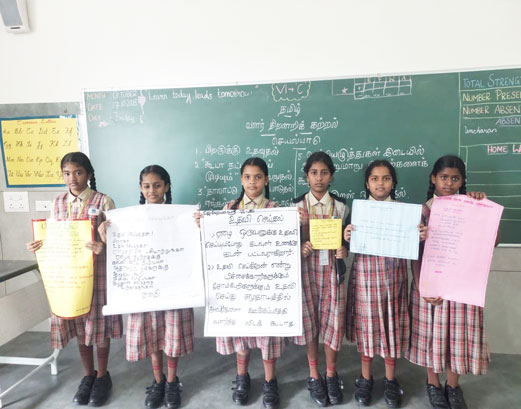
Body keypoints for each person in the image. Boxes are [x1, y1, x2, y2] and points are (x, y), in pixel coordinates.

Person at [26, 152, 122, 407]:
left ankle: (102, 376)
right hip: (71, 277)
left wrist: (104, 246)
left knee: (98, 327)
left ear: (89, 174)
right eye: (67, 173)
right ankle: (87, 375)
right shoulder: (58, 202)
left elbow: (121, 239)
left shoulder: (104, 201)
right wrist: (39, 245)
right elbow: (54, 237)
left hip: (98, 274)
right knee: (79, 326)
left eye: (78, 172)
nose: (72, 178)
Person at [99, 165, 193, 409]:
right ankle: (158, 380)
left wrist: (198, 226)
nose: (152, 191)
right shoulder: (129, 219)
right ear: (141, 188)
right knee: (152, 334)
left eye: (157, 185)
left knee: (172, 335)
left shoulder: (180, 215)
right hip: (144, 288)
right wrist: (107, 234)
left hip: (173, 287)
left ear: (167, 186)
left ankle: (172, 381)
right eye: (147, 186)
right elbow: (120, 251)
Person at [407, 155, 492, 409]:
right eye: (444, 177)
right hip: (431, 286)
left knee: (458, 337)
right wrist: (421, 285)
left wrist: (482, 206)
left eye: (455, 178)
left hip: (461, 287)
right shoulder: (422, 211)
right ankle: (433, 383)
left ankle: (453, 386)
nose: (449, 183)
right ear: (433, 179)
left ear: (462, 181)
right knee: (431, 335)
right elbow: (413, 253)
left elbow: (493, 238)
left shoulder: (472, 207)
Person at [343, 160, 426, 408]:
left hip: (394, 278)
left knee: (392, 327)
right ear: (367, 183)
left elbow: (414, 245)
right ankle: (365, 378)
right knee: (367, 327)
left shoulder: (405, 213)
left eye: (386, 178)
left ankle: (390, 379)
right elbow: (346, 246)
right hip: (365, 278)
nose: (380, 183)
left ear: (393, 183)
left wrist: (419, 236)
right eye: (375, 178)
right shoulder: (357, 211)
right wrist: (346, 237)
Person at [215, 157, 284, 409]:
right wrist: (205, 226)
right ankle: (242, 377)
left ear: (266, 180)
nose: (252, 182)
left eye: (257, 177)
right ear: (241, 180)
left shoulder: (275, 209)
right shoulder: (229, 208)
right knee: (241, 332)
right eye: (247, 177)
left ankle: (270, 380)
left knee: (266, 335)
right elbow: (218, 241)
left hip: (266, 282)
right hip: (239, 281)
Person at [292, 151, 348, 407]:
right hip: (305, 274)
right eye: (314, 173)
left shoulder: (342, 207)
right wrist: (299, 246)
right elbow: (284, 243)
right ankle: (314, 373)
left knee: (332, 323)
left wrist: (344, 249)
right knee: (311, 323)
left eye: (324, 173)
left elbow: (348, 239)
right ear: (306, 176)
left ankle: (331, 373)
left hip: (332, 274)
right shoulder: (295, 208)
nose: (319, 178)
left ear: (331, 176)